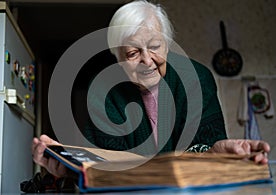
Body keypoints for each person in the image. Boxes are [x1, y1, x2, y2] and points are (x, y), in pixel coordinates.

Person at [32, 0, 270, 178]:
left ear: (167, 45)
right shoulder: (104, 91)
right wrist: (67, 168)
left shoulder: (197, 78)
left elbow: (212, 148)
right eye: (133, 53)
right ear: (117, 58)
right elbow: (102, 161)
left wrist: (215, 151)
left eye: (155, 46)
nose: (148, 60)